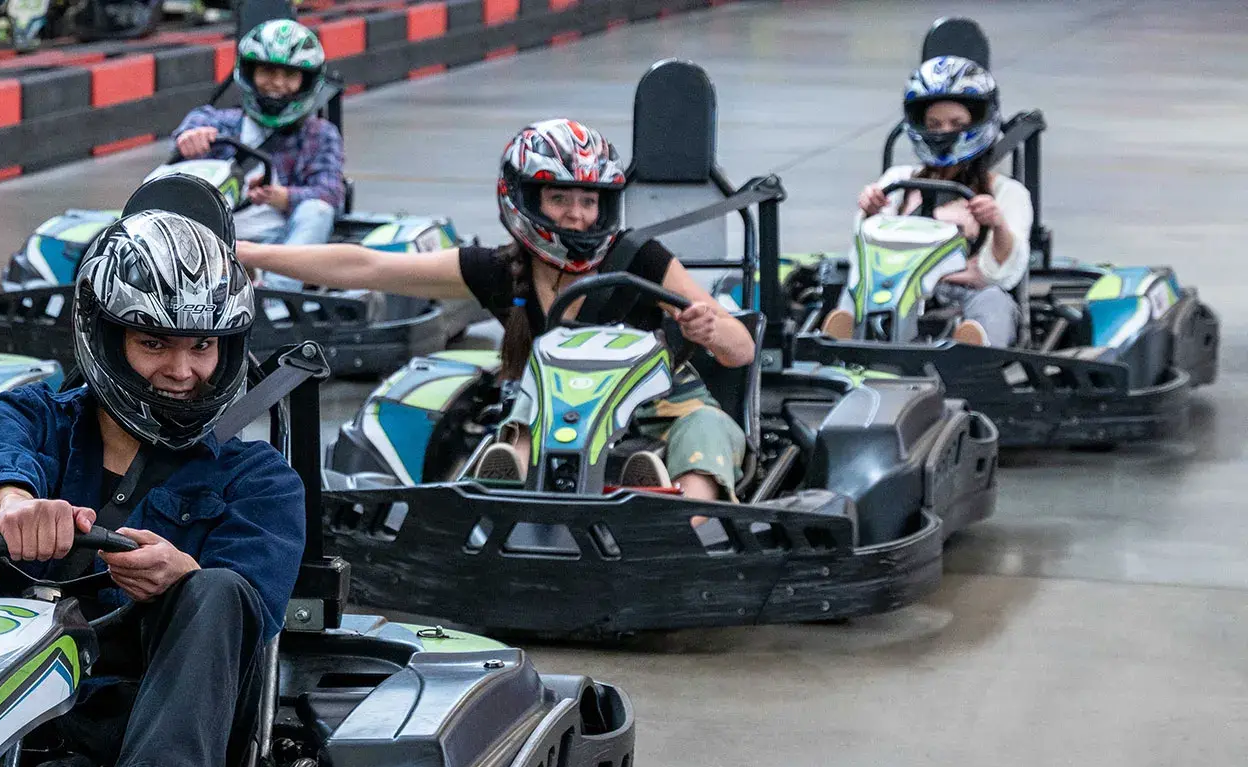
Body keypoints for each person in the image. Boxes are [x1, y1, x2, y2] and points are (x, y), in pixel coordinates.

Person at [0, 208, 303, 767]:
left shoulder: (256, 480)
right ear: (107, 340)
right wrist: (14, 509)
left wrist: (181, 577)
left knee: (217, 590)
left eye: (202, 346)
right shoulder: (38, 418)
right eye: (154, 344)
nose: (182, 370)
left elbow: (253, 606)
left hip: (145, 708)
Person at [241, 118, 756, 502]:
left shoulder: (640, 258)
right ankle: (500, 485)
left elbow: (741, 350)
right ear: (526, 200)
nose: (577, 215)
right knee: (521, 418)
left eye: (589, 201)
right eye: (560, 199)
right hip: (556, 415)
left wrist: (711, 328)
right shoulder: (500, 269)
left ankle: (686, 513)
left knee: (706, 428)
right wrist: (250, 252)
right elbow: (368, 267)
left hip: (654, 414)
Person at [822, 56, 1033, 348]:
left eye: (956, 123)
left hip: (965, 292)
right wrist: (870, 212)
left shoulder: (1008, 194)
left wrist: (996, 225)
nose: (943, 132)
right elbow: (862, 258)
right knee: (857, 291)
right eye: (934, 124)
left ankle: (971, 348)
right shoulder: (898, 181)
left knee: (995, 302)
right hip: (897, 288)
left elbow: (1006, 274)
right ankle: (842, 339)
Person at [171, 17, 342, 290]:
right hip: (212, 238)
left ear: (306, 81)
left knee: (318, 210)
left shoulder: (320, 135)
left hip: (279, 243)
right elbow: (193, 125)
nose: (277, 83)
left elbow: (331, 193)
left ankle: (277, 297)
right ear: (250, 73)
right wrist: (191, 139)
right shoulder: (219, 122)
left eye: (289, 76)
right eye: (267, 71)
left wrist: (284, 197)